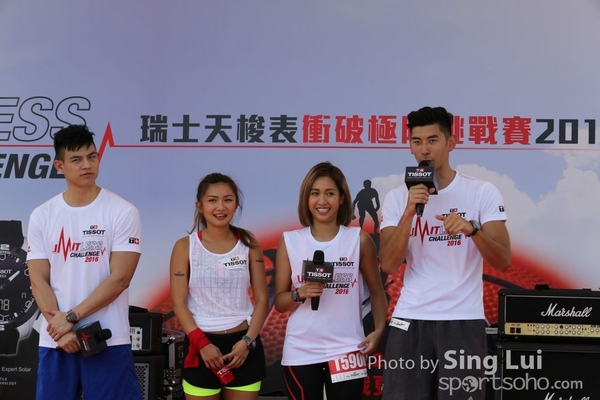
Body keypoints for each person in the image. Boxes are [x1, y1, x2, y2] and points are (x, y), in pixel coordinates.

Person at [379, 106, 511, 399]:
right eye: (417, 141)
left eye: (432, 140)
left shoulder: (481, 191)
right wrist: (409, 211)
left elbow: (503, 260)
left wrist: (472, 230)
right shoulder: (398, 198)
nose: (424, 149)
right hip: (410, 316)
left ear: (451, 143)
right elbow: (388, 264)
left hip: (463, 318)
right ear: (410, 146)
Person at [27, 125, 143, 400]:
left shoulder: (122, 211)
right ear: (60, 166)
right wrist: (59, 330)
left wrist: (70, 317)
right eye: (77, 160)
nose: (87, 165)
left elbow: (120, 279)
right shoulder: (42, 215)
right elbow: (38, 279)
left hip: (106, 340)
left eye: (92, 157)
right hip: (57, 342)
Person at [275, 161, 387, 400]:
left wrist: (379, 330)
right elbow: (280, 303)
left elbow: (377, 292)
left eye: (330, 193)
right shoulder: (290, 241)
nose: (322, 201)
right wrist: (300, 293)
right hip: (301, 349)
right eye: (315, 193)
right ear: (306, 198)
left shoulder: (359, 239)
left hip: (347, 349)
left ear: (342, 198)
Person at [170, 173, 269, 400]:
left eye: (228, 200)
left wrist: (247, 342)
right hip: (201, 346)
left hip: (243, 346)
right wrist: (202, 345)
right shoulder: (184, 246)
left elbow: (263, 300)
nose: (220, 207)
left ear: (236, 204)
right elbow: (178, 302)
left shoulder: (249, 243)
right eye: (212, 200)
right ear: (199, 205)